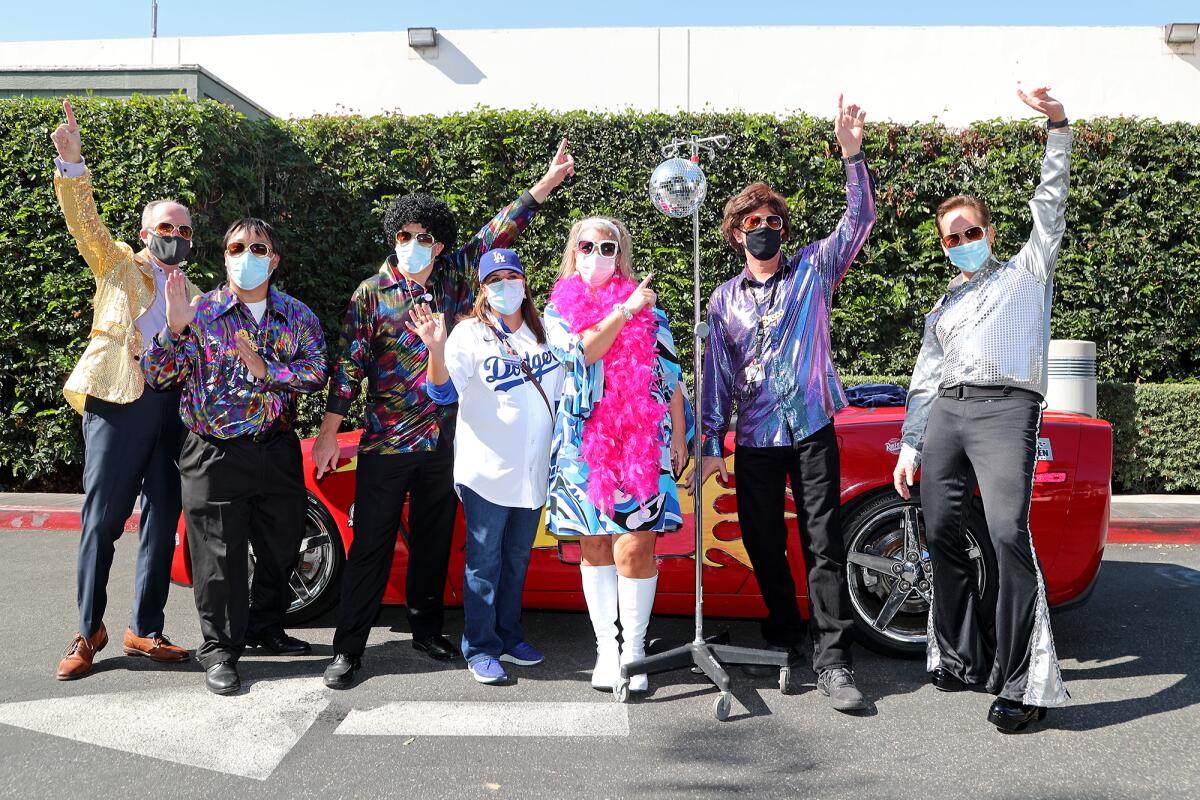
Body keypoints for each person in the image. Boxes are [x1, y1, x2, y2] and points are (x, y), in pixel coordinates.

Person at [317, 141, 575, 690]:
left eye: (424, 237)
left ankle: (427, 630)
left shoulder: (455, 276)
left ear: (439, 244)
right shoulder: (371, 294)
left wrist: (546, 183)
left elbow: (497, 233)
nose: (413, 245)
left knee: (435, 541)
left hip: (443, 439)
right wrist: (327, 434)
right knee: (371, 546)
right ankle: (348, 650)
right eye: (404, 236)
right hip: (385, 443)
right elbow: (348, 367)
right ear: (394, 239)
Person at [893, 87, 1072, 732]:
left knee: (1004, 532)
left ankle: (1025, 682)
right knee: (937, 530)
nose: (963, 241)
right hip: (948, 415)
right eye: (952, 237)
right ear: (943, 246)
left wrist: (1056, 126)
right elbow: (925, 377)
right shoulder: (943, 306)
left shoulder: (1028, 272)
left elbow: (1050, 206)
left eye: (971, 231)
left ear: (989, 232)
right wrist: (912, 443)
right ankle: (961, 655)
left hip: (1006, 413)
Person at [688, 96, 876, 713]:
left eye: (772, 220)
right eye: (751, 223)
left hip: (813, 427)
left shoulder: (814, 272)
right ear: (736, 234)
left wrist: (851, 155)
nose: (763, 229)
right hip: (759, 438)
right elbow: (715, 375)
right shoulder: (722, 299)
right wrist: (712, 445)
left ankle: (834, 659)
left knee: (824, 542)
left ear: (783, 229)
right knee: (764, 541)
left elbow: (860, 220)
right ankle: (782, 630)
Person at [142, 218, 327, 695]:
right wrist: (173, 330)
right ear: (224, 257)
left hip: (277, 449)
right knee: (217, 560)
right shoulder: (200, 311)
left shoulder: (296, 315)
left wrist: (269, 371)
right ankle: (221, 650)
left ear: (275, 259)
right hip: (214, 453)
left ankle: (265, 628)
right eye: (237, 247)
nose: (247, 255)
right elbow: (160, 377)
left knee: (283, 545)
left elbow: (316, 371)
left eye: (258, 248)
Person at [49, 99, 197, 680]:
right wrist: (73, 165)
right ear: (145, 234)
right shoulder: (117, 265)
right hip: (118, 402)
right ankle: (88, 631)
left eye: (185, 230)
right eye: (167, 228)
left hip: (172, 410)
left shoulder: (194, 288)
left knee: (163, 517)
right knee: (103, 520)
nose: (177, 236)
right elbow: (85, 224)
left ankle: (146, 627)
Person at [544, 217, 689, 694]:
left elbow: (672, 378)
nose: (597, 254)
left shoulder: (651, 311)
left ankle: (635, 651)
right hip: (582, 447)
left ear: (620, 254)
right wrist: (624, 313)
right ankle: (607, 649)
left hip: (641, 444)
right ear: (573, 252)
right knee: (595, 546)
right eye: (587, 245)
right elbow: (581, 354)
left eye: (607, 247)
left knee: (636, 545)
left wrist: (681, 436)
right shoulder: (556, 312)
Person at [408, 248, 564, 684]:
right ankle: (479, 646)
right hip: (485, 472)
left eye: (512, 276)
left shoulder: (547, 330)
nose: (505, 286)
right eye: (495, 280)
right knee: (484, 562)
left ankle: (509, 636)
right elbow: (441, 395)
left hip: (533, 472)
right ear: (482, 289)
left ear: (525, 281)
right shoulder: (468, 335)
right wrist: (435, 351)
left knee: (517, 560)